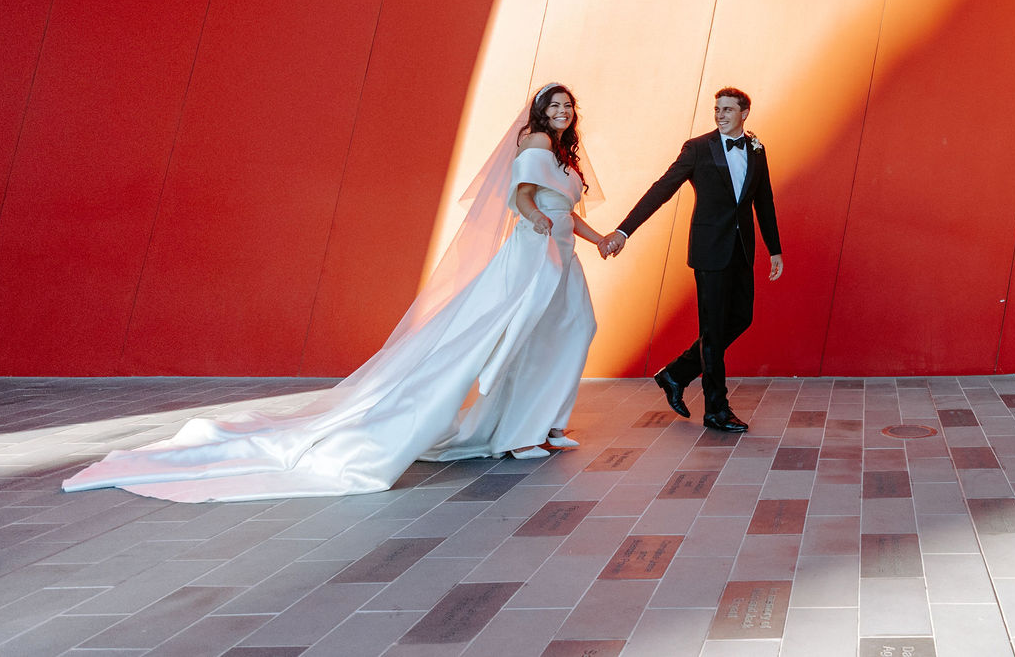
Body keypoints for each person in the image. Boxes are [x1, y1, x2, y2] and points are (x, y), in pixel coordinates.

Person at [62, 84, 611, 501]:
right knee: (506, 343)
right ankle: (521, 432)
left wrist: (600, 237)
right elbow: (519, 198)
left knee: (569, 332)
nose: (561, 113)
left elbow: (571, 211)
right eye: (554, 106)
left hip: (563, 256)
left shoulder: (566, 154)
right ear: (541, 113)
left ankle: (543, 423)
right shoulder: (536, 143)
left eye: (567, 107)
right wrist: (537, 224)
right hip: (533, 256)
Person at [601, 87, 782, 433]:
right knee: (712, 332)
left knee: (742, 318)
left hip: (742, 249)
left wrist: (774, 249)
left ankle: (676, 374)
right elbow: (662, 188)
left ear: (745, 113)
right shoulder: (698, 148)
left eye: (728, 109)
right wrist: (624, 231)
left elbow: (765, 200)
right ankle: (716, 410)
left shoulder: (756, 150)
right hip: (710, 252)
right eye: (717, 109)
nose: (720, 114)